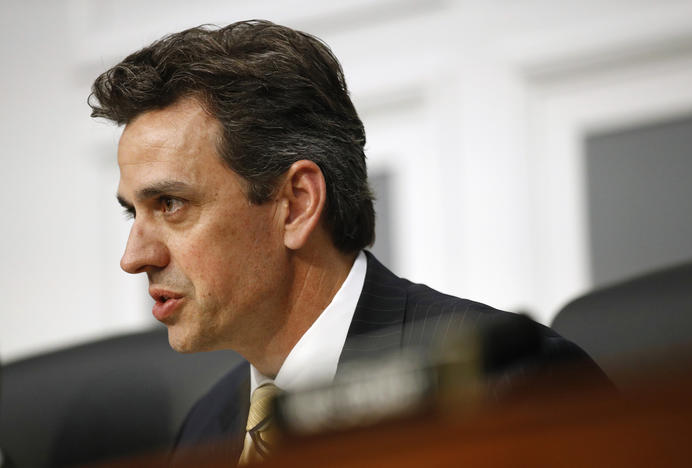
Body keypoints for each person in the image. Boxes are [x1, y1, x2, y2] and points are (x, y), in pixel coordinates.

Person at [89, 20, 606, 465]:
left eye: (170, 205)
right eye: (133, 212)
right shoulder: (205, 428)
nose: (134, 258)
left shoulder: (506, 385)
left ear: (296, 204)